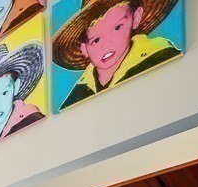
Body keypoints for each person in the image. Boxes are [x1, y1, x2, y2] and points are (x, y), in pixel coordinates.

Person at [53, 0, 182, 110]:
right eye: (96, 40)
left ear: (136, 18)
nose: (107, 44)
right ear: (84, 49)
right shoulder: (78, 93)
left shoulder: (160, 56)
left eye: (117, 28)